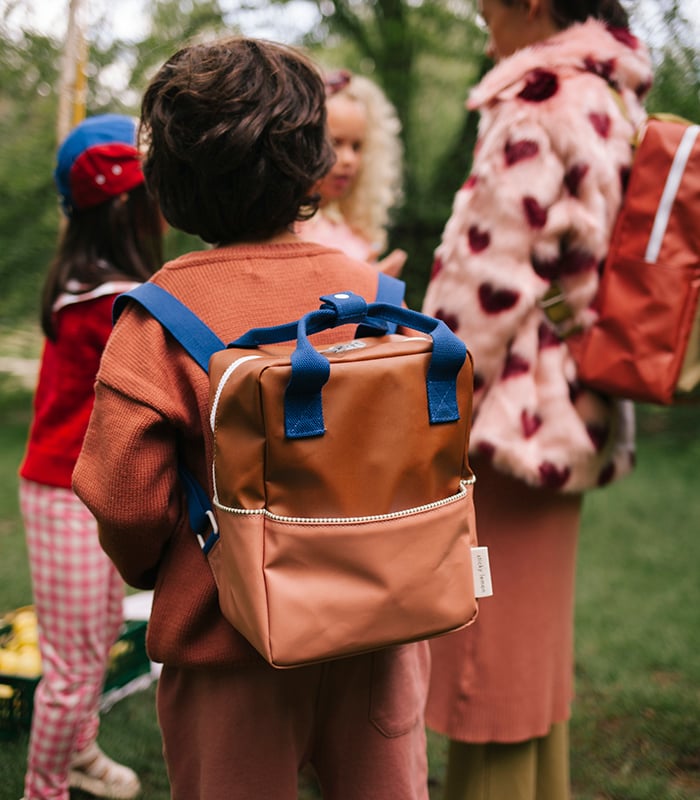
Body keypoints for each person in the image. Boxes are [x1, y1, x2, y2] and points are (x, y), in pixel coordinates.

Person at [72, 37, 430, 800]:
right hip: (381, 630)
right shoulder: (378, 293)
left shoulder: (158, 318)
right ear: (312, 165)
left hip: (227, 647)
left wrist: (165, 569)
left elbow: (125, 499)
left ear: (165, 183)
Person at [421, 2, 652, 799]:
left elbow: (486, 281)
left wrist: (426, 401)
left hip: (508, 421)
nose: (477, 10)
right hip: (571, 412)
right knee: (529, 650)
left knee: (489, 662)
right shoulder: (610, 94)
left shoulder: (540, 95)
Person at [18, 113, 163, 800]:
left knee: (99, 633)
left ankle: (78, 752)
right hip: (63, 492)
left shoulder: (101, 288)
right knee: (72, 668)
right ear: (127, 207)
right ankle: (42, 787)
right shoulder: (104, 302)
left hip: (88, 489)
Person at [297, 69, 407, 277]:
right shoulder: (288, 231)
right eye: (335, 143)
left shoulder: (352, 228)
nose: (349, 159)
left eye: (357, 147)